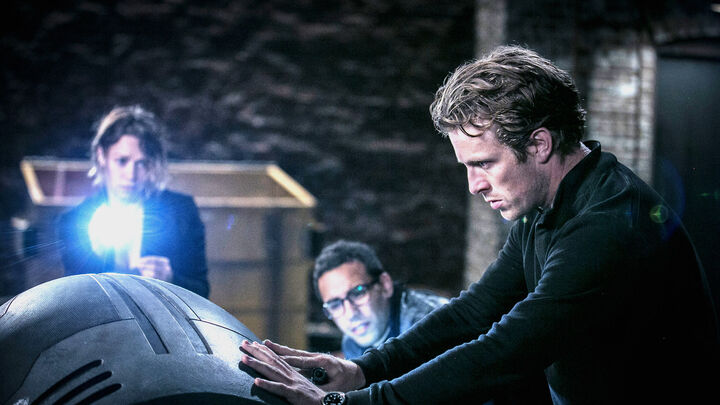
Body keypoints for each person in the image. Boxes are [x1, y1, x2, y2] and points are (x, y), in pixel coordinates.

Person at [239, 45, 720, 404]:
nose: (474, 186)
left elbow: (507, 349)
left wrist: (349, 404)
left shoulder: (609, 224)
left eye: (484, 163)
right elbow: (476, 311)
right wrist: (361, 370)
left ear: (539, 145)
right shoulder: (550, 204)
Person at [57, 105, 210, 297]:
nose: (131, 175)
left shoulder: (181, 212)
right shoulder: (74, 221)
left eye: (142, 163)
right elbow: (75, 298)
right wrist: (95, 259)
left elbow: (201, 291)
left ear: (153, 163)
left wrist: (170, 279)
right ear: (101, 155)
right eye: (122, 161)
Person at [313, 240, 449, 359]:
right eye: (335, 304)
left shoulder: (430, 328)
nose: (351, 314)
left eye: (358, 293)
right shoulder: (351, 343)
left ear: (385, 285)